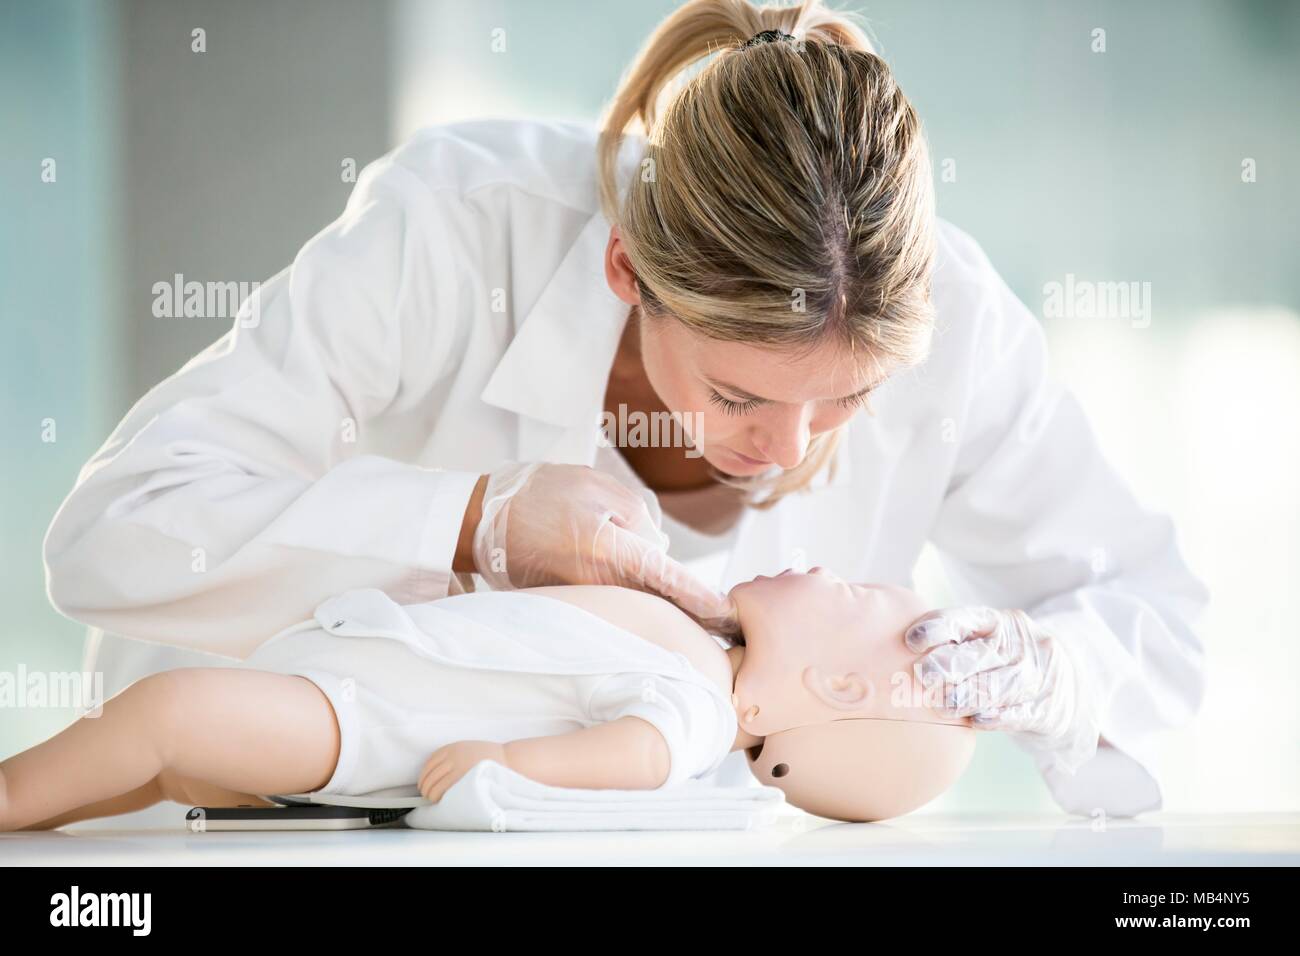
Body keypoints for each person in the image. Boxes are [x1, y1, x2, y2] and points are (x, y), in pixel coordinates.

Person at [42, 0, 1207, 816]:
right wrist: (472, 524)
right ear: (623, 271)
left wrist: (1051, 672)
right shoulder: (455, 229)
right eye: (738, 392)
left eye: (847, 399)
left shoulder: (956, 321)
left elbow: (1160, 620)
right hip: (197, 806)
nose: (784, 452)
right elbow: (116, 536)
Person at [1, 570, 973, 830]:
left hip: (355, 723)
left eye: (847, 592)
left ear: (838, 685)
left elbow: (636, 757)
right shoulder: (696, 642)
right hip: (349, 677)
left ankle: (12, 795)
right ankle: (39, 817)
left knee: (165, 714)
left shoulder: (698, 712)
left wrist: (515, 766)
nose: (819, 567)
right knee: (169, 763)